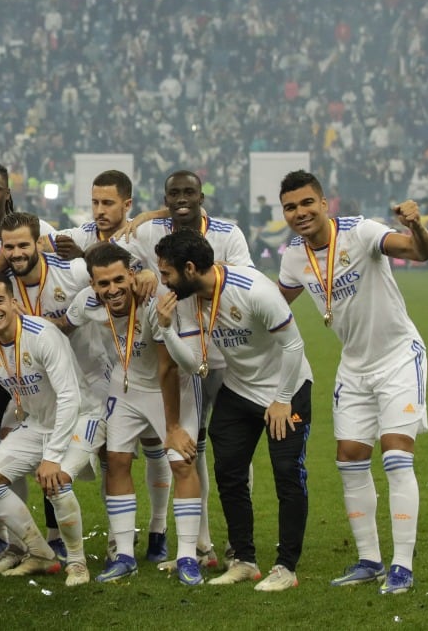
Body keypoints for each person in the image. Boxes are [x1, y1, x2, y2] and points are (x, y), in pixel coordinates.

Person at [277, 171, 428, 595]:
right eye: (290, 207)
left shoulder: (361, 232)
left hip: (399, 356)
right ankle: (369, 560)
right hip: (355, 367)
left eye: (307, 203)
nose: (300, 213)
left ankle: (402, 565)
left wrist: (416, 225)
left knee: (397, 455)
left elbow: (421, 253)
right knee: (349, 459)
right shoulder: (293, 257)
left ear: (325, 203)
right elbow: (271, 303)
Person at [153, 231, 312, 593]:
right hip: (239, 390)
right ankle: (244, 560)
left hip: (287, 389)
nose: (164, 282)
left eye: (167, 274)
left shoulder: (253, 289)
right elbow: (192, 364)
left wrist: (283, 399)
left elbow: (294, 345)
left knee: (287, 474)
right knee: (229, 474)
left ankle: (286, 566)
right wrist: (166, 330)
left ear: (190, 268)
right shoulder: (188, 300)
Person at [130, 168, 254, 565]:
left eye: (189, 192)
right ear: (164, 198)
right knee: (193, 447)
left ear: (202, 196)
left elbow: (242, 280)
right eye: (173, 194)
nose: (182, 199)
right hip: (184, 358)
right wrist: (142, 270)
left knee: (235, 452)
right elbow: (118, 256)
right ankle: (202, 542)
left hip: (228, 356)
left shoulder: (227, 234)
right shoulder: (149, 234)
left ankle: (237, 539)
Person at [78, 243, 204, 586]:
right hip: (126, 385)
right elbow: (63, 323)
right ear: (92, 285)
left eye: (119, 279)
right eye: (103, 283)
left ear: (132, 275)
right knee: (116, 461)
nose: (112, 289)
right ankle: (124, 556)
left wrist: (173, 426)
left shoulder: (153, 303)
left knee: (182, 462)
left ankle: (188, 557)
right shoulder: (86, 304)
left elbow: (168, 369)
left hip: (172, 387)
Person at [0, 271, 89, 583]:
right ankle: (39, 553)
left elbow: (69, 396)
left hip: (80, 418)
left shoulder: (42, 334)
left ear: (13, 302)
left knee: (57, 482)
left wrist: (53, 456)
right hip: (37, 423)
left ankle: (77, 562)